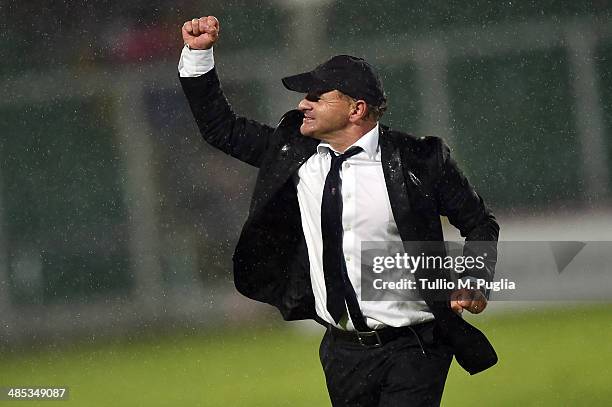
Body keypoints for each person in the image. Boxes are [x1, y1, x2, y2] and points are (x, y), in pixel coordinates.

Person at [178, 15, 500, 407]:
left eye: (316, 97)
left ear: (355, 109)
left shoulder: (420, 159)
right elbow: (220, 129)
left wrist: (475, 276)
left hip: (415, 347)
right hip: (341, 352)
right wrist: (199, 55)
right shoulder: (294, 153)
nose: (303, 104)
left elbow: (480, 223)